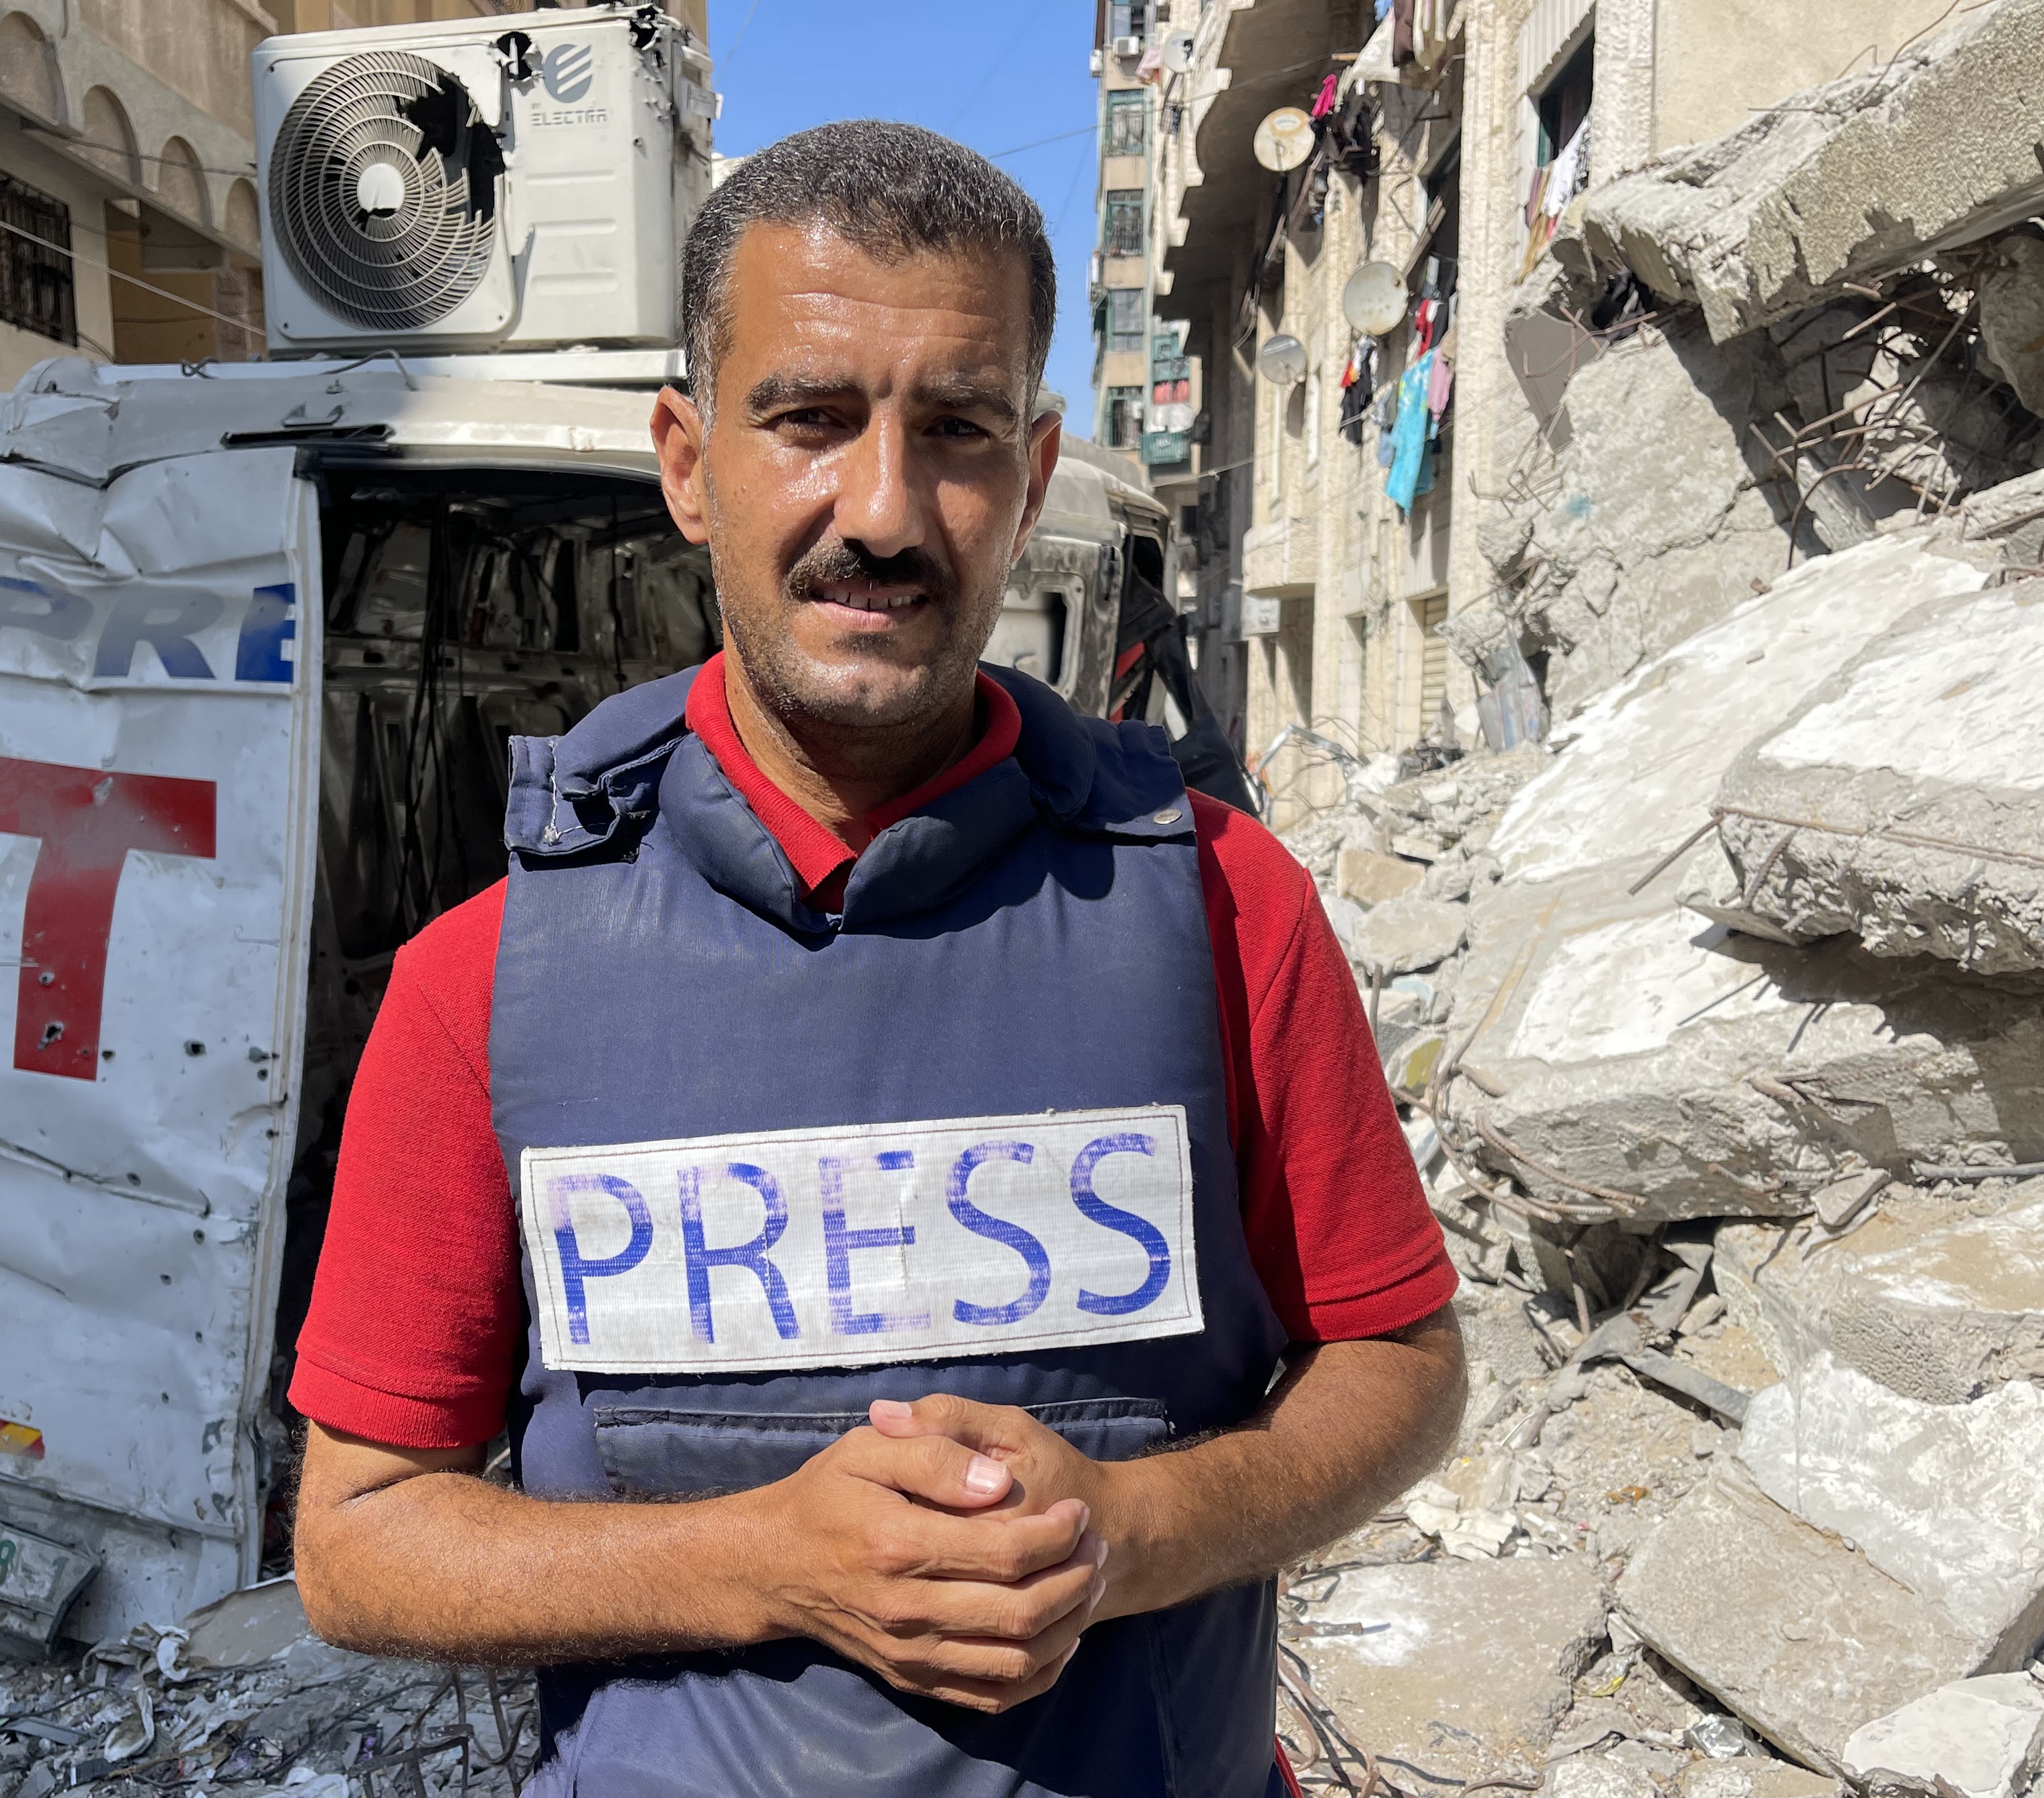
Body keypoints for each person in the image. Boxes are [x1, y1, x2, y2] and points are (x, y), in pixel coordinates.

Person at [287, 121, 1465, 1798]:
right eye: (811, 419)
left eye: (959, 430)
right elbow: (359, 1539)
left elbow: (1402, 1366)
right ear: (690, 462)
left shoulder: (1221, 903)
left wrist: (1130, 1530)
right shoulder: (487, 980)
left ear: (1037, 472)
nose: (886, 509)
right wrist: (769, 1560)